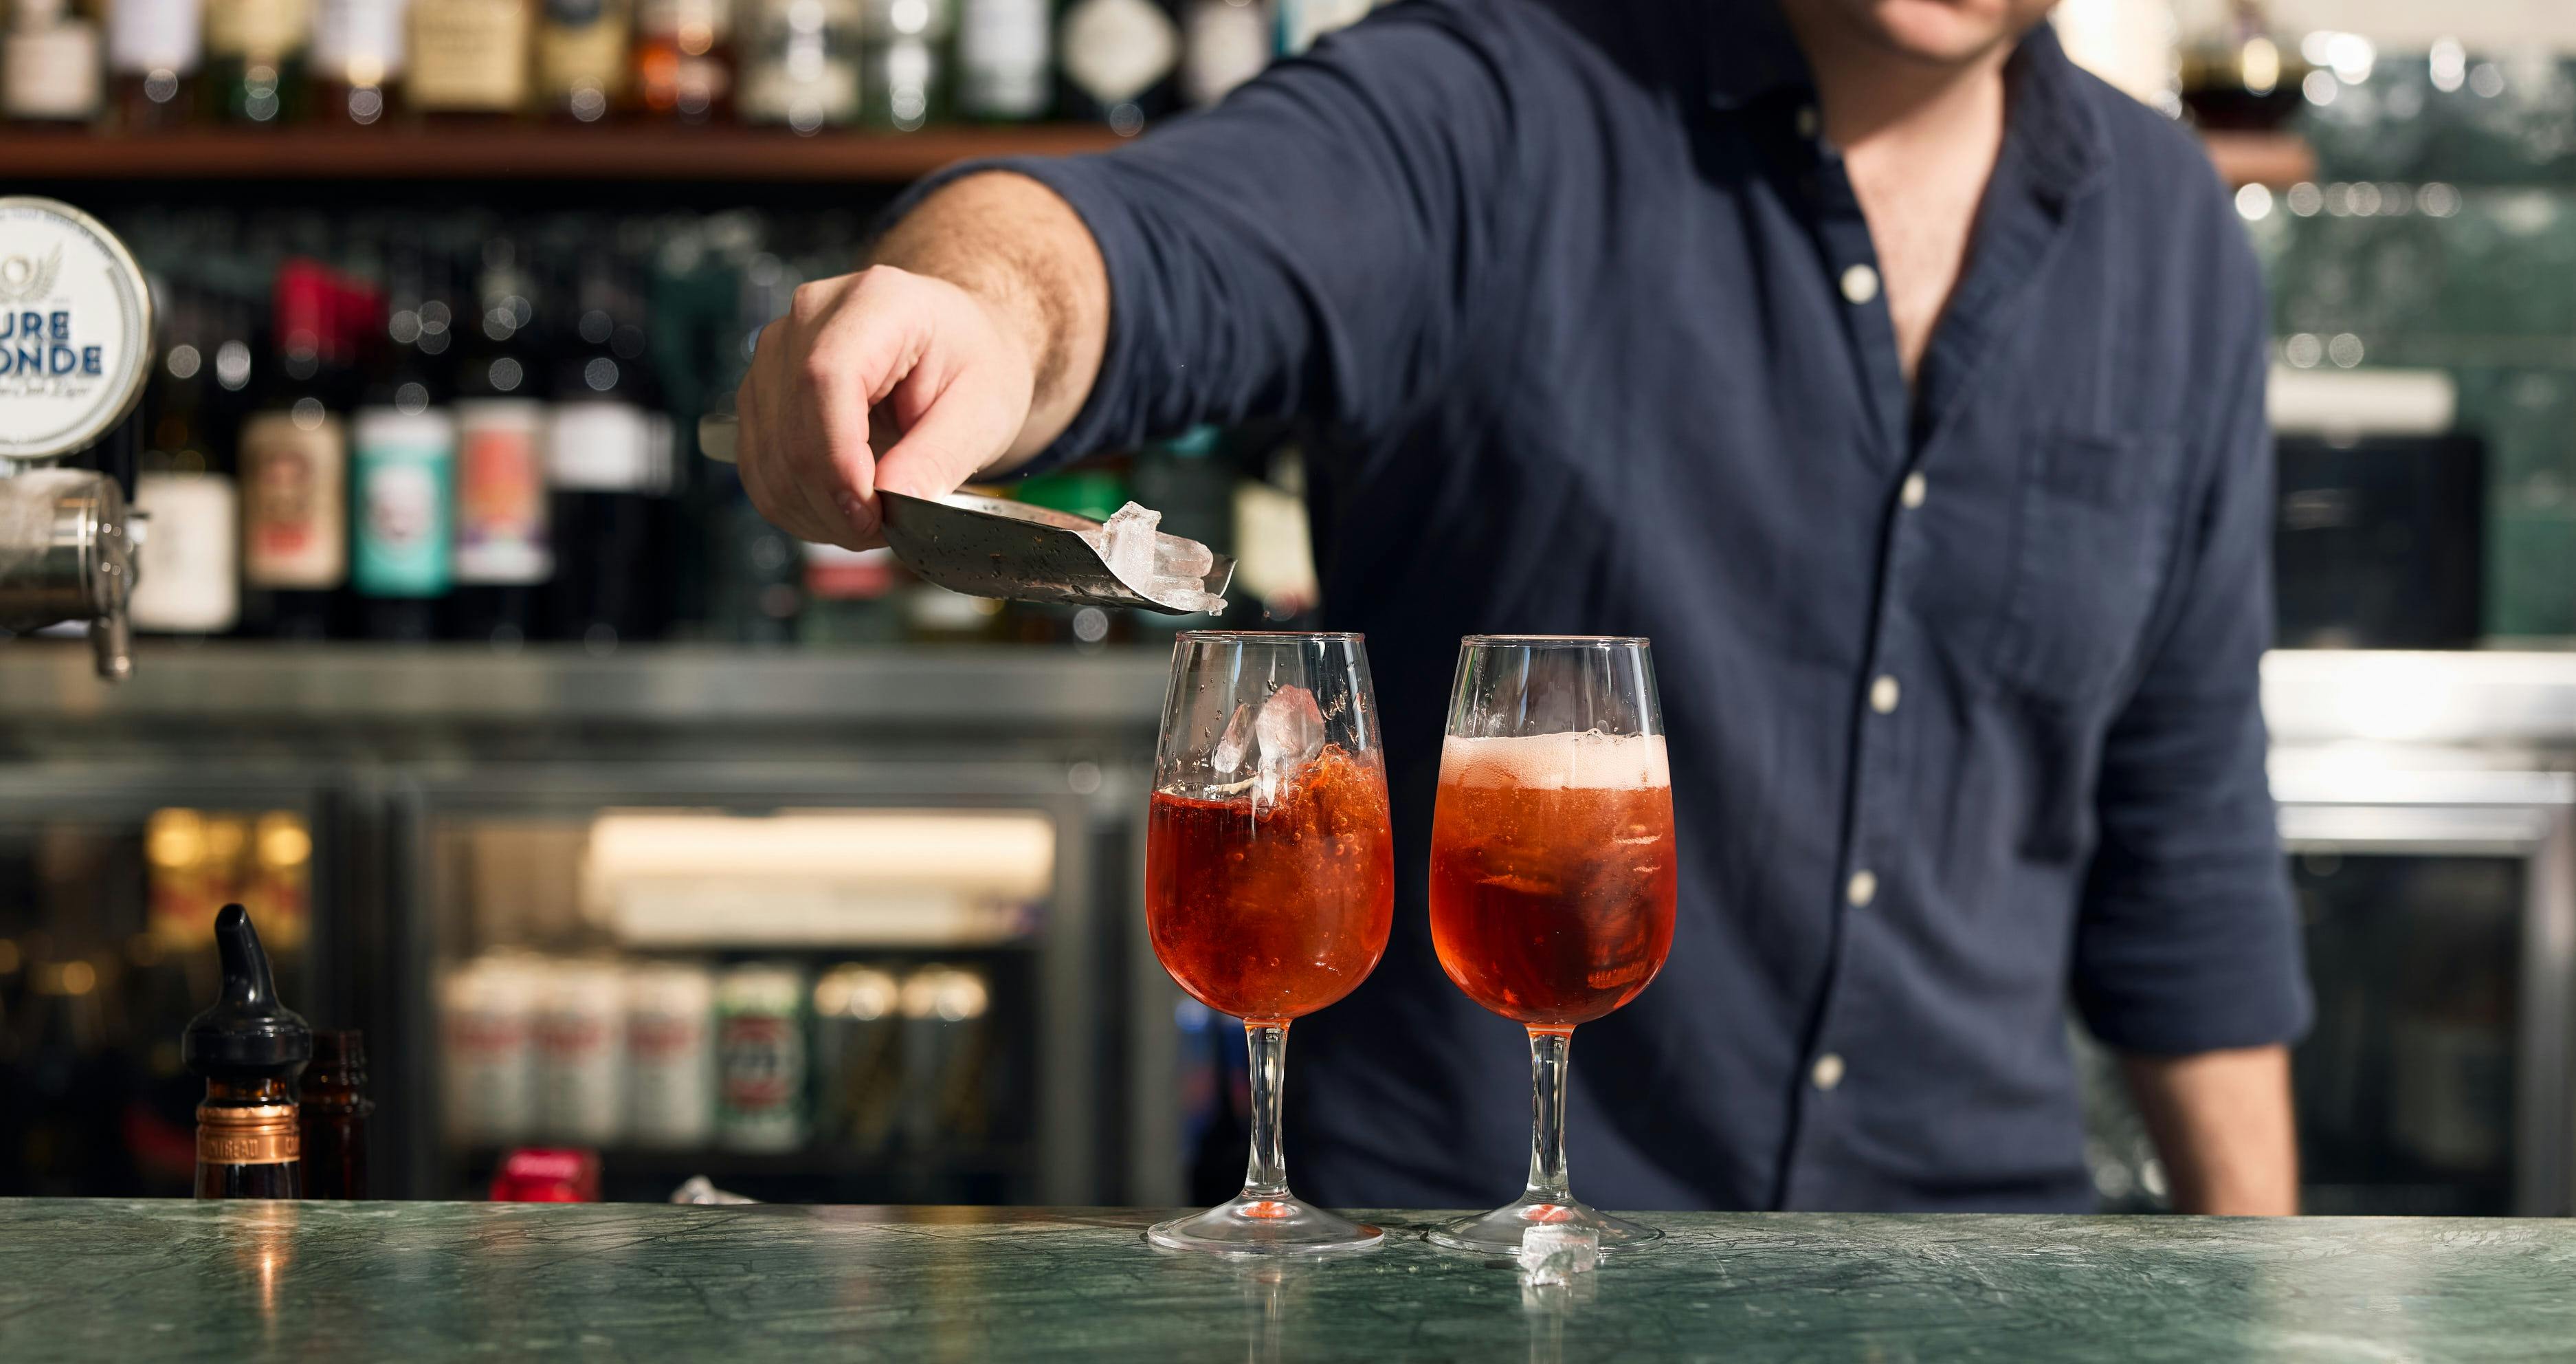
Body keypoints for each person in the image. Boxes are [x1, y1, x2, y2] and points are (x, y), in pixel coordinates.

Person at [732, 0, 2311, 1214]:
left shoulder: (2163, 234)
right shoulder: (1492, 99)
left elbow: (2186, 846)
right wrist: (973, 319)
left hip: (1969, 1287)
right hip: (1464, 1289)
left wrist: (2261, 1339)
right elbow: (1139, 247)